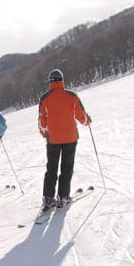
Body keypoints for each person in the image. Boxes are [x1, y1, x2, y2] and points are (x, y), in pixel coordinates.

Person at [38, 69, 92, 211]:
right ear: (62, 80)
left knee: (51, 169)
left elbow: (42, 121)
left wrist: (45, 135)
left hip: (53, 139)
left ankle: (48, 199)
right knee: (66, 168)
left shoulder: (45, 98)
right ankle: (63, 197)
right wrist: (87, 121)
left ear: (50, 82)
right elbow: (81, 115)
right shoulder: (72, 95)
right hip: (70, 137)